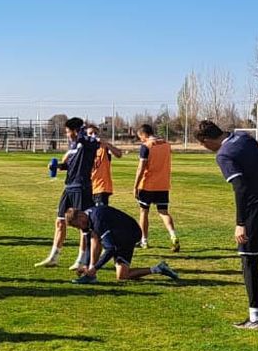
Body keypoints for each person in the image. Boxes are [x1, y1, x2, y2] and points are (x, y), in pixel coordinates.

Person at [196, 120, 258, 329]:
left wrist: (240, 223)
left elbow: (240, 188)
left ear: (207, 140)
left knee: (248, 260)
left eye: (203, 145)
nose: (206, 149)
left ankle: (255, 318)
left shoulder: (223, 154)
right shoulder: (244, 137)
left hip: (255, 209)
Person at [35, 117, 121, 268]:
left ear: (75, 131)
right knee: (60, 221)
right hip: (69, 187)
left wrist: (86, 131)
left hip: (82, 188)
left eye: (68, 131)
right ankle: (54, 256)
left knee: (82, 224)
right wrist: (57, 167)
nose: (67, 134)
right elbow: (70, 165)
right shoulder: (74, 144)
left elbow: (98, 143)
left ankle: (81, 259)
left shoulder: (88, 142)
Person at [64, 206, 177, 284]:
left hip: (128, 235)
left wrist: (95, 268)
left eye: (76, 225)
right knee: (122, 276)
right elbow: (89, 242)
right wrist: (86, 264)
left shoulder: (97, 221)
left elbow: (110, 248)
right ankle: (159, 268)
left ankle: (91, 275)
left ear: (80, 217)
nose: (78, 228)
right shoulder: (87, 218)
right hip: (120, 231)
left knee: (96, 237)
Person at [133, 124, 180, 252]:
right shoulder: (166, 144)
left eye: (140, 137)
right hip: (163, 184)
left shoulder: (146, 146)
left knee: (144, 212)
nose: (140, 140)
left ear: (144, 134)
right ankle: (173, 235)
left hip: (147, 184)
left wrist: (135, 185)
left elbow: (141, 167)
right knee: (163, 212)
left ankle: (144, 240)